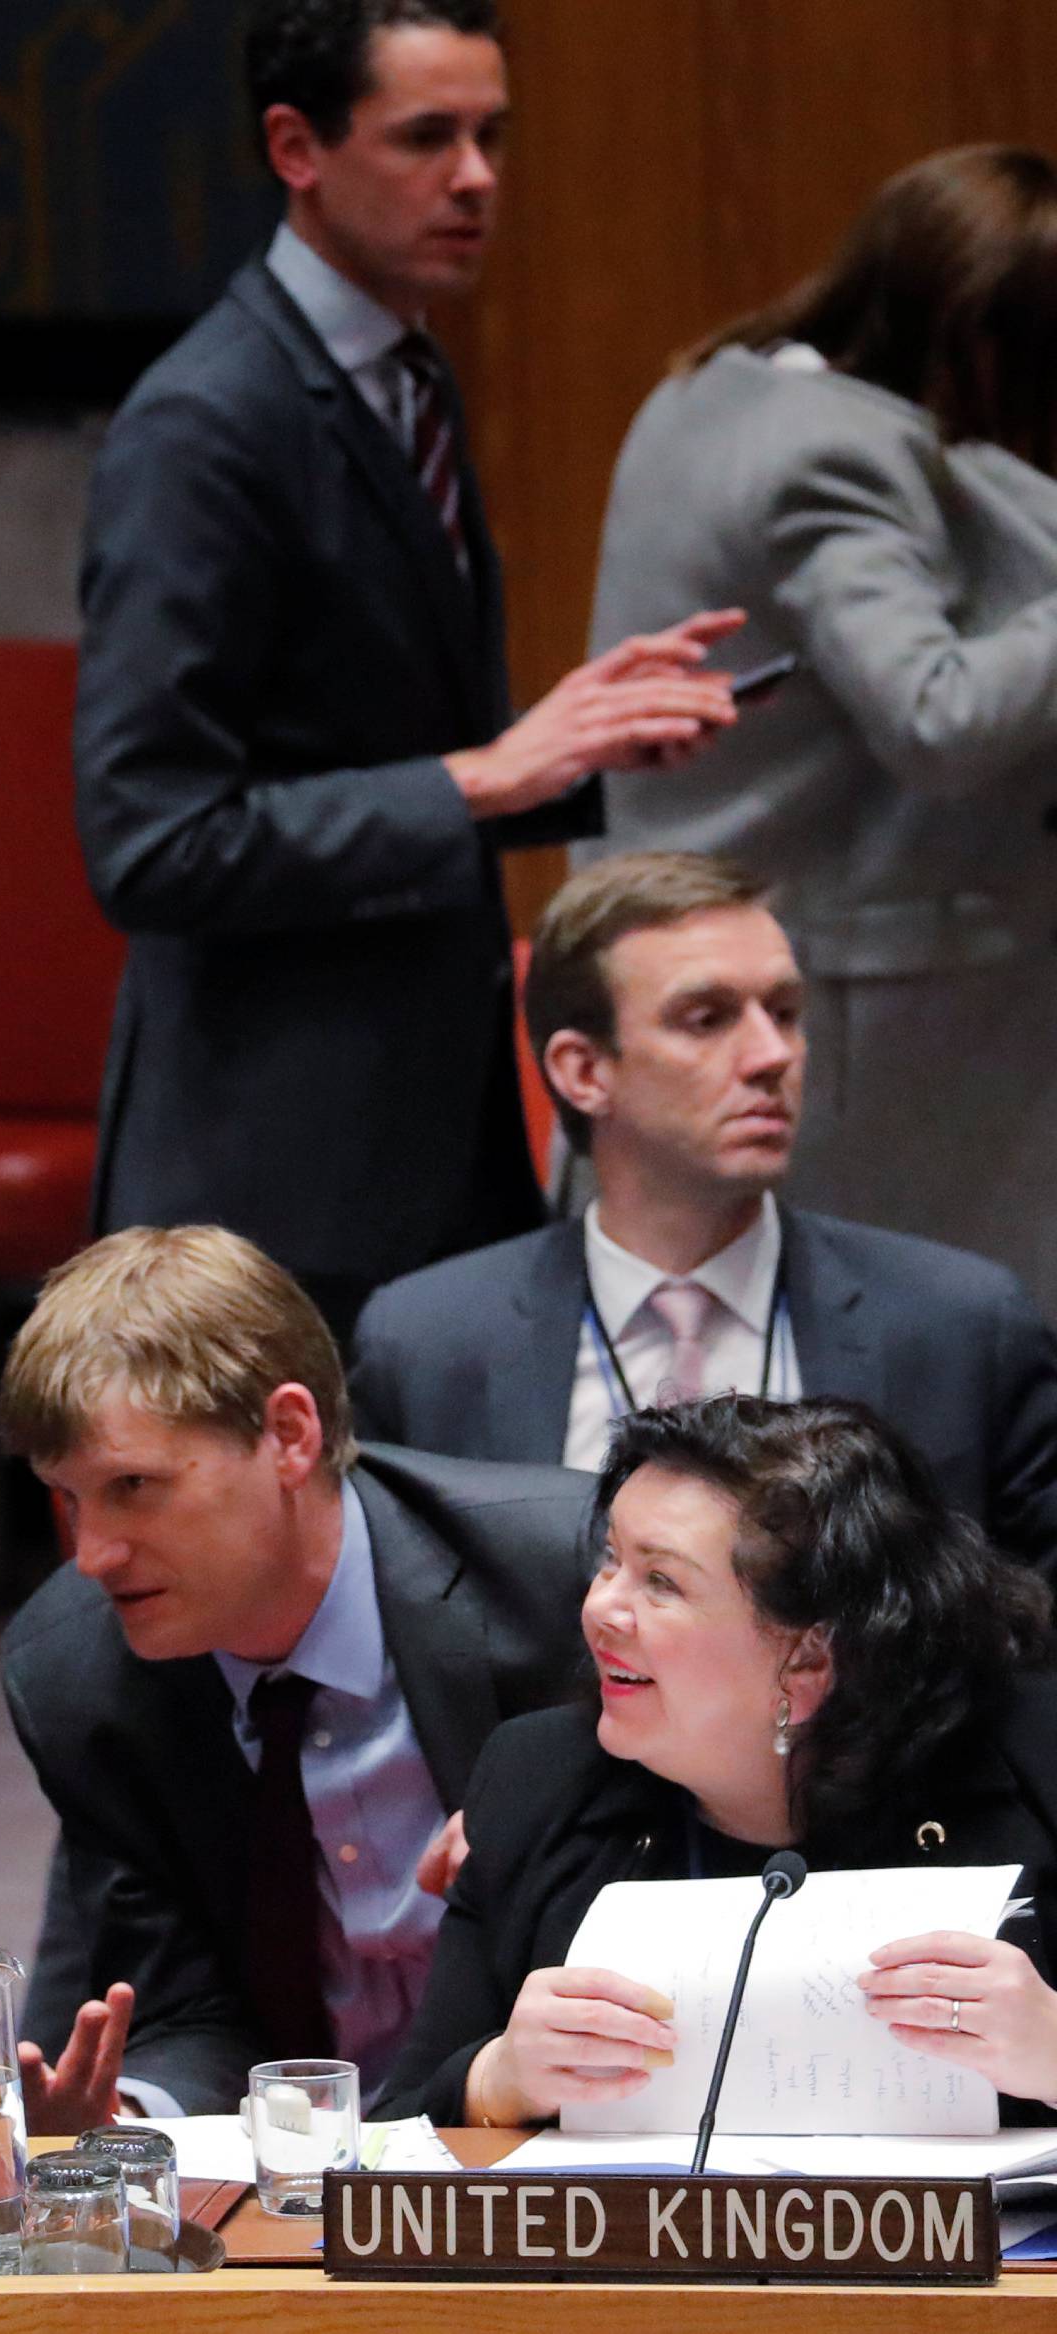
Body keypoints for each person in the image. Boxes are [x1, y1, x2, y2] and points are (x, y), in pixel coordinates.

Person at [75, 0, 740, 1339]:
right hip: (272, 1169)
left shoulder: (406, 372)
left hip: (431, 1128)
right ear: (296, 147)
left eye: (493, 136)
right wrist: (484, 775)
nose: (479, 177)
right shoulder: (206, 425)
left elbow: (372, 739)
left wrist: (575, 747)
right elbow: (150, 840)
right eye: (428, 137)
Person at [587, 145, 1057, 1313]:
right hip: (854, 1011)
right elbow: (936, 714)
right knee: (890, 1405)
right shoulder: (833, 450)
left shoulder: (714, 385)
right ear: (980, 335)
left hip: (709, 965)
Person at [0, 1225, 593, 2115]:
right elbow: (188, 2006)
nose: (92, 1554)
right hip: (287, 2179)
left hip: (550, 2140)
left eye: (132, 1488)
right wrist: (133, 2118)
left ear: (287, 1434)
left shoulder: (560, 1583)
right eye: (68, 1498)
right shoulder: (75, 1675)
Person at [350, 854, 1057, 1574]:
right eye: (706, 1019)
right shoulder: (427, 1348)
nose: (771, 1054)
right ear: (584, 1071)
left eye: (784, 1013)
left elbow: (1033, 1645)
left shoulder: (960, 1330)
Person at [374, 1395, 1057, 2125]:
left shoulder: (1034, 1763)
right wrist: (498, 2078)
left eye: (660, 1582)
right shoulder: (536, 1779)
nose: (602, 1607)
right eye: (612, 1560)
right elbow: (391, 2142)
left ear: (807, 1658)